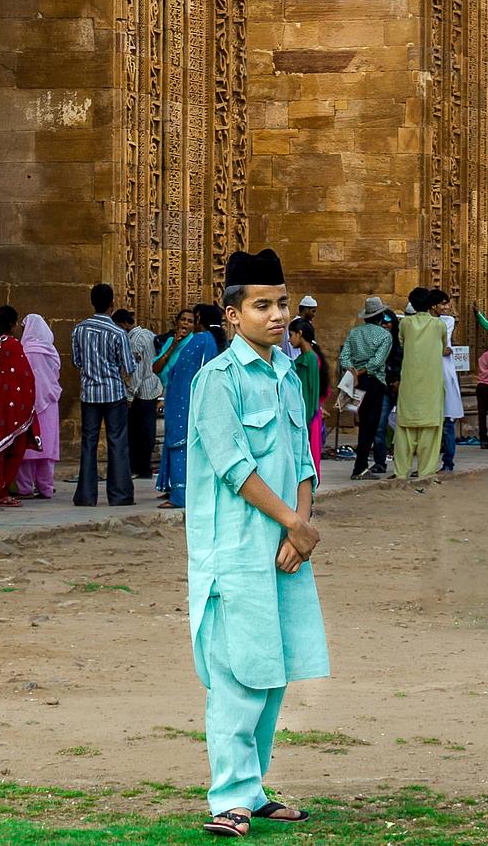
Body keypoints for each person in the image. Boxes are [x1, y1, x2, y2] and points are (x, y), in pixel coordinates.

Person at [187, 248, 328, 838]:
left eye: (281, 304)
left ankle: (254, 788)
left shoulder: (287, 375)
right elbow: (234, 467)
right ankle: (229, 800)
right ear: (231, 315)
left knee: (273, 673)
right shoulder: (216, 380)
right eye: (262, 305)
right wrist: (293, 525)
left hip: (284, 548)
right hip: (237, 550)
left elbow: (301, 458)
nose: (276, 316)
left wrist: (301, 523)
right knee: (237, 676)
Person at [71, 284, 136, 506]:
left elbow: (76, 361)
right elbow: (128, 366)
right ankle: (120, 495)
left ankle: (86, 495)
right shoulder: (118, 332)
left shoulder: (79, 329)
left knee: (88, 443)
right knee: (117, 442)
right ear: (112, 303)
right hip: (113, 392)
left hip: (89, 393)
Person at [159, 304, 227, 509]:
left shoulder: (200, 339)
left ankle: (180, 494)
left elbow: (184, 371)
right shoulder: (214, 341)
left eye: (195, 318)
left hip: (184, 400)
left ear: (200, 319)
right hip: (200, 400)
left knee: (179, 445)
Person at [0, 305, 39, 507]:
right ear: (12, 325)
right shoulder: (12, 344)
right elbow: (24, 377)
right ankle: (1, 491)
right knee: (13, 449)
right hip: (11, 406)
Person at [393, 287, 447, 478]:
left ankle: (400, 473)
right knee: (430, 433)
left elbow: (401, 342)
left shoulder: (405, 324)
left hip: (410, 384)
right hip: (431, 385)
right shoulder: (439, 325)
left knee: (404, 432)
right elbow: (443, 346)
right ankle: (426, 473)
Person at [339, 296, 393, 480]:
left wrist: (352, 372)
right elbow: (377, 362)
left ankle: (360, 465)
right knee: (371, 425)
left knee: (364, 422)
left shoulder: (354, 333)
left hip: (357, 382)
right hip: (374, 382)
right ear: (381, 316)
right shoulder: (385, 336)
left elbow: (344, 357)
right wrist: (360, 372)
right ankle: (360, 467)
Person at [15, 314, 62, 499]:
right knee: (47, 447)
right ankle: (46, 487)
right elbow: (55, 373)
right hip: (49, 403)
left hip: (27, 403)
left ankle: (24, 488)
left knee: (26, 447)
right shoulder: (51, 352)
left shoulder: (23, 351)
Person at [112, 309, 163, 479]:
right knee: (147, 431)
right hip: (152, 387)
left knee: (137, 433)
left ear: (124, 324)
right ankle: (144, 467)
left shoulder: (134, 341)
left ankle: (139, 468)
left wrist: (129, 395)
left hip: (142, 391)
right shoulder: (147, 333)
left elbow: (136, 372)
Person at [287, 319, 330, 481]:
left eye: (291, 335)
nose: (289, 340)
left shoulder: (310, 359)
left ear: (300, 334)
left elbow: (311, 392)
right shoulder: (308, 358)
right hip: (307, 414)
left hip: (308, 416)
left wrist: (308, 419)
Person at [428, 289, 464, 471]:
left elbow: (440, 345)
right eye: (443, 303)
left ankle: (448, 462)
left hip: (443, 372)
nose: (447, 307)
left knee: (447, 420)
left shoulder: (446, 321)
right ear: (433, 306)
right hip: (431, 371)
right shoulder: (428, 322)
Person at [371, 310, 403, 474]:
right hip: (383, 389)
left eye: (387, 321)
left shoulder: (398, 343)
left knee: (405, 426)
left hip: (399, 387)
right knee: (380, 426)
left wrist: (396, 379)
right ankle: (380, 462)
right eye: (381, 322)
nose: (384, 324)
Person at [152, 308, 195, 389]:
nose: (185, 323)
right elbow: (156, 369)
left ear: (193, 326)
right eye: (183, 320)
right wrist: (172, 346)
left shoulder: (194, 343)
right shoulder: (170, 341)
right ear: (177, 322)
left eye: (190, 321)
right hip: (163, 388)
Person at [281, 294, 317, 359]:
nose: (314, 314)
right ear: (306, 310)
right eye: (313, 311)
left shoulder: (304, 324)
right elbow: (292, 350)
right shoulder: (295, 325)